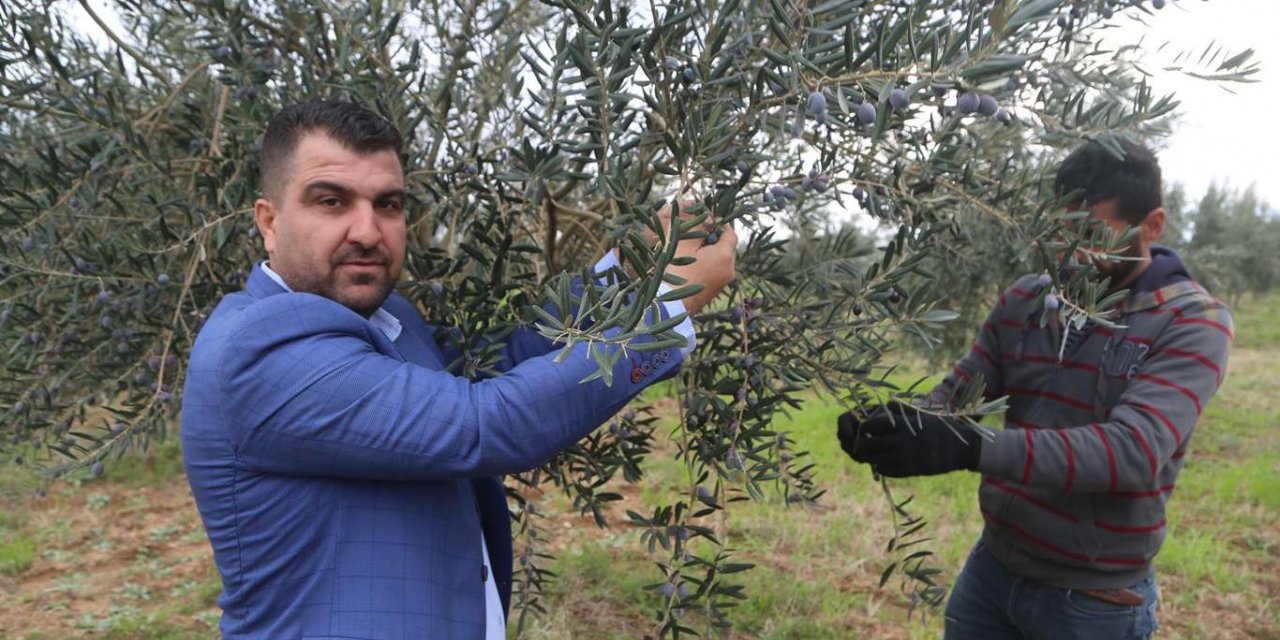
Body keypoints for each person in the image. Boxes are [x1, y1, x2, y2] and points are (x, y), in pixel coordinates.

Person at [181, 100, 736, 639]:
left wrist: (633, 270)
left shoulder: (383, 314)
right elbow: (484, 423)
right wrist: (661, 310)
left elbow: (498, 367)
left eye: (389, 204)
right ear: (269, 222)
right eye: (331, 202)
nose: (368, 232)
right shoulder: (258, 348)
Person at [837, 138, 1233, 639]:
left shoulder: (1193, 321)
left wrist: (968, 446)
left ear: (1152, 225)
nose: (1073, 253)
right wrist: (901, 424)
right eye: (1062, 234)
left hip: (1094, 604)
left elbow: (1131, 452)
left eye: (1093, 234)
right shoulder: (1028, 298)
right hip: (992, 574)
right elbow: (961, 395)